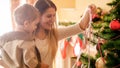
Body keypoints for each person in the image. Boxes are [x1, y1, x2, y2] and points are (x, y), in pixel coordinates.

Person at [34, 0, 96, 68]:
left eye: (54, 15)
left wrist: (87, 11)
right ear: (38, 17)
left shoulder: (54, 34)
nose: (52, 20)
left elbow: (80, 26)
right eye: (49, 16)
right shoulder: (28, 37)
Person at [0, 4, 42, 68]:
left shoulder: (4, 38)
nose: (36, 27)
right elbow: (30, 61)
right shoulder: (27, 42)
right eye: (35, 24)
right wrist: (40, 65)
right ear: (26, 24)